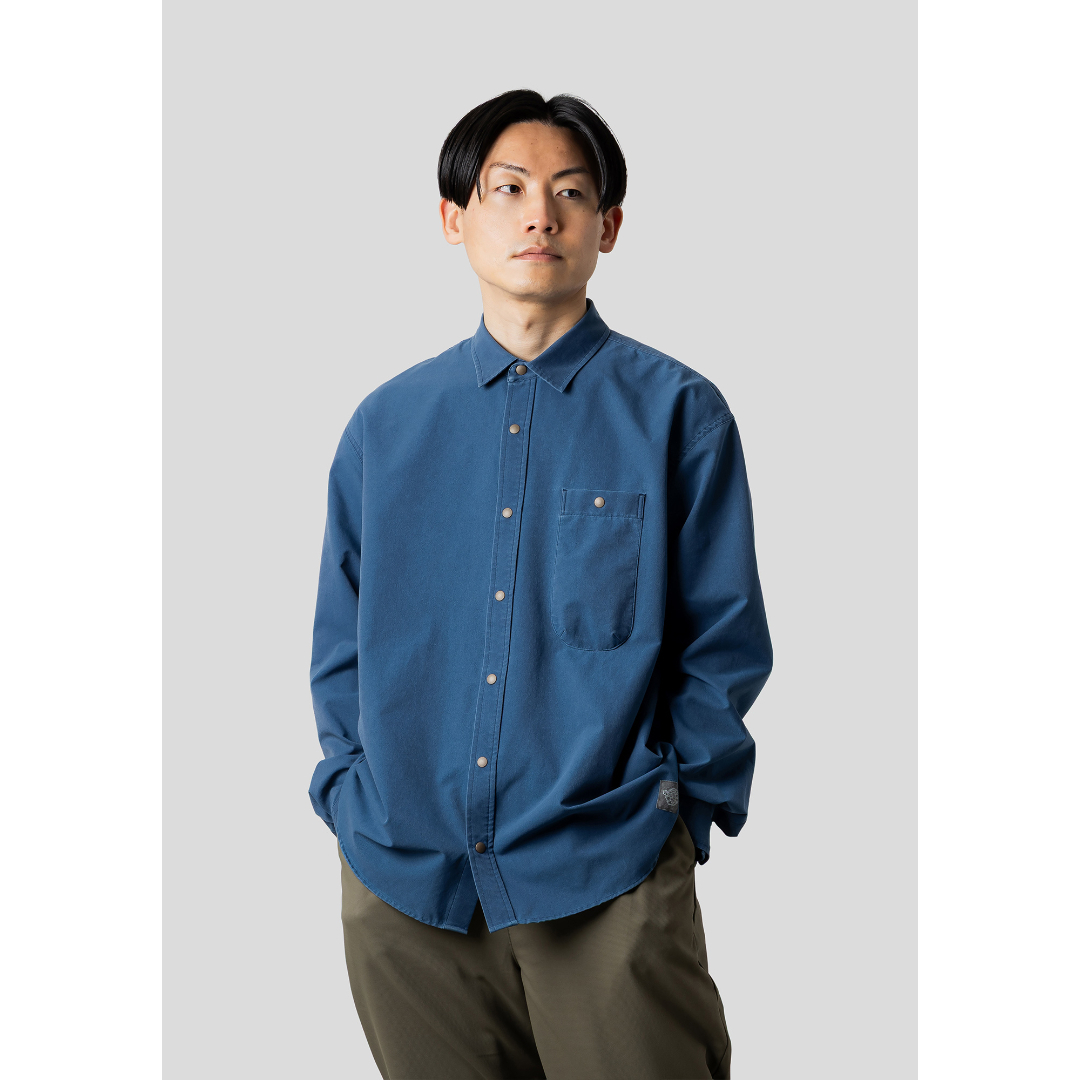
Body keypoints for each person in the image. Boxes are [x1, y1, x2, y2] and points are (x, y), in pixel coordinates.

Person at [308, 88, 773, 1080]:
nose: (540, 216)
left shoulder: (679, 415)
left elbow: (724, 639)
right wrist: (350, 796)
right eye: (508, 189)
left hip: (605, 870)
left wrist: (675, 815)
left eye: (570, 192)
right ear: (454, 217)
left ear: (609, 225)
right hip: (405, 877)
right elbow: (340, 642)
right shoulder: (385, 427)